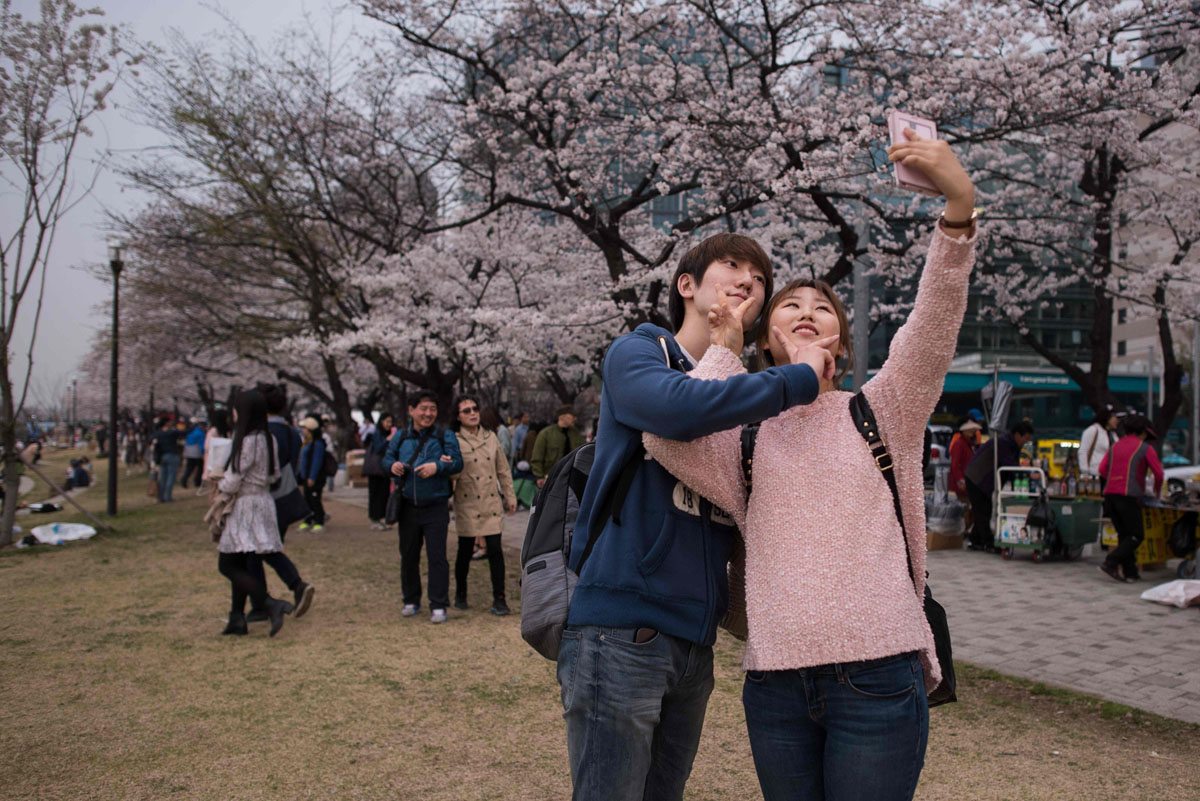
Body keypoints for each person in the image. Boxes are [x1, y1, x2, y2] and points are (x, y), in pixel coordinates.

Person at [643, 128, 977, 801]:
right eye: (788, 305)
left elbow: (933, 323)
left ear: (840, 340)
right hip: (775, 683)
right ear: (768, 335)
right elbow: (668, 436)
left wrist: (959, 210)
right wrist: (725, 348)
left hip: (878, 672)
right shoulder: (746, 432)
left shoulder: (884, 408)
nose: (804, 311)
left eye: (821, 308)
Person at [557, 227, 835, 801]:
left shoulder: (744, 393)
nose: (747, 283)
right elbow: (677, 411)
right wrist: (795, 376)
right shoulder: (639, 353)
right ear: (687, 284)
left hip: (694, 641)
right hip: (620, 626)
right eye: (732, 267)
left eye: (759, 280)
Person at [214, 389, 294, 637]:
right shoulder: (269, 438)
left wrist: (218, 481)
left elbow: (233, 479)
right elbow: (275, 475)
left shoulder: (248, 441)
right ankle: (237, 618)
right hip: (263, 500)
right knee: (241, 562)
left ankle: (268, 603)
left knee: (227, 564)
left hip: (246, 506)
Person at [383, 391, 463, 623]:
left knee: (437, 556)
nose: (428, 413)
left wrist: (437, 467)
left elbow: (458, 461)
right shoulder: (401, 436)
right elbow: (386, 458)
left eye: (432, 409)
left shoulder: (444, 435)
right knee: (408, 555)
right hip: (408, 505)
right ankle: (410, 600)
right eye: (423, 408)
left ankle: (438, 604)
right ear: (411, 410)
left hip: (436, 505)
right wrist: (393, 466)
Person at [244, 384, 316, 621]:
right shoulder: (292, 432)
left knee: (257, 550)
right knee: (262, 550)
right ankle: (262, 602)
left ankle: (291, 587)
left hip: (266, 498)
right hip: (286, 496)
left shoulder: (266, 433)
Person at [450, 396, 517, 615]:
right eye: (466, 410)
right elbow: (450, 473)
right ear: (458, 416)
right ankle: (461, 593)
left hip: (490, 502)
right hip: (467, 502)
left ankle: (500, 599)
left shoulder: (491, 437)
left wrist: (510, 496)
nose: (472, 413)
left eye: (475, 408)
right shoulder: (454, 440)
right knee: (465, 550)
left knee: (495, 550)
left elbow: (503, 470)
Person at [1098, 414, 1163, 582]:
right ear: (1142, 433)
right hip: (1128, 496)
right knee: (1136, 535)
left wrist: (1115, 479)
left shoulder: (1115, 446)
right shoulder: (1145, 448)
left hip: (1109, 496)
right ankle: (1110, 562)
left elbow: (1102, 469)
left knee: (1124, 535)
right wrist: (1156, 492)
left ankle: (1131, 572)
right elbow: (1159, 473)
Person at [963, 420, 1036, 551]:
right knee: (982, 511)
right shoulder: (1003, 443)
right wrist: (1029, 473)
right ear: (1018, 435)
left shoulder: (1012, 446)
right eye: (1026, 438)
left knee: (984, 510)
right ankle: (988, 543)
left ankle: (975, 540)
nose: (1026, 442)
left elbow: (1011, 470)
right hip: (976, 479)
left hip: (983, 481)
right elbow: (1010, 465)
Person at [530, 406, 585, 487]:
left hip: (571, 478)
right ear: (562, 417)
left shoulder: (576, 435)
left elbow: (582, 454)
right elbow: (537, 457)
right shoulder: (546, 434)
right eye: (571, 416)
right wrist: (539, 476)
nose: (574, 418)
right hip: (550, 478)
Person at [366, 413, 396, 530]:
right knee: (375, 494)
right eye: (387, 421)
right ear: (381, 421)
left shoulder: (389, 434)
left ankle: (383, 519)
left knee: (384, 494)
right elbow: (378, 448)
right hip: (375, 470)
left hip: (385, 469)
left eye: (390, 422)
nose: (389, 424)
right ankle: (374, 519)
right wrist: (388, 439)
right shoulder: (377, 433)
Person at [298, 417, 328, 531]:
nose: (303, 430)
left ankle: (319, 520)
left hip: (314, 478)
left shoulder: (318, 444)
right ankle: (309, 519)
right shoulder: (307, 442)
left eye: (304, 428)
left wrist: (312, 477)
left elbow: (317, 461)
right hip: (306, 476)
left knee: (315, 499)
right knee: (307, 499)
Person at [1079, 404, 1119, 478]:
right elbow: (1083, 451)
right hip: (1095, 475)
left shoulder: (1113, 435)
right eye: (1114, 417)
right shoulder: (1093, 430)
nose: (1116, 420)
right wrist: (1085, 472)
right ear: (1106, 418)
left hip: (1110, 476)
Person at [151, 417, 183, 502]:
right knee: (171, 477)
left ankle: (160, 497)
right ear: (166, 423)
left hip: (162, 457)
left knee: (162, 478)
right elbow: (183, 433)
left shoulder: (158, 433)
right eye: (170, 421)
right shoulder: (172, 432)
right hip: (172, 455)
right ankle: (168, 497)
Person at [180, 419, 206, 488]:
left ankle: (184, 480)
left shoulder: (191, 431)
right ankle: (197, 482)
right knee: (200, 468)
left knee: (189, 468)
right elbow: (201, 444)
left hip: (188, 451)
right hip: (196, 453)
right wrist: (203, 453)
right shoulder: (201, 433)